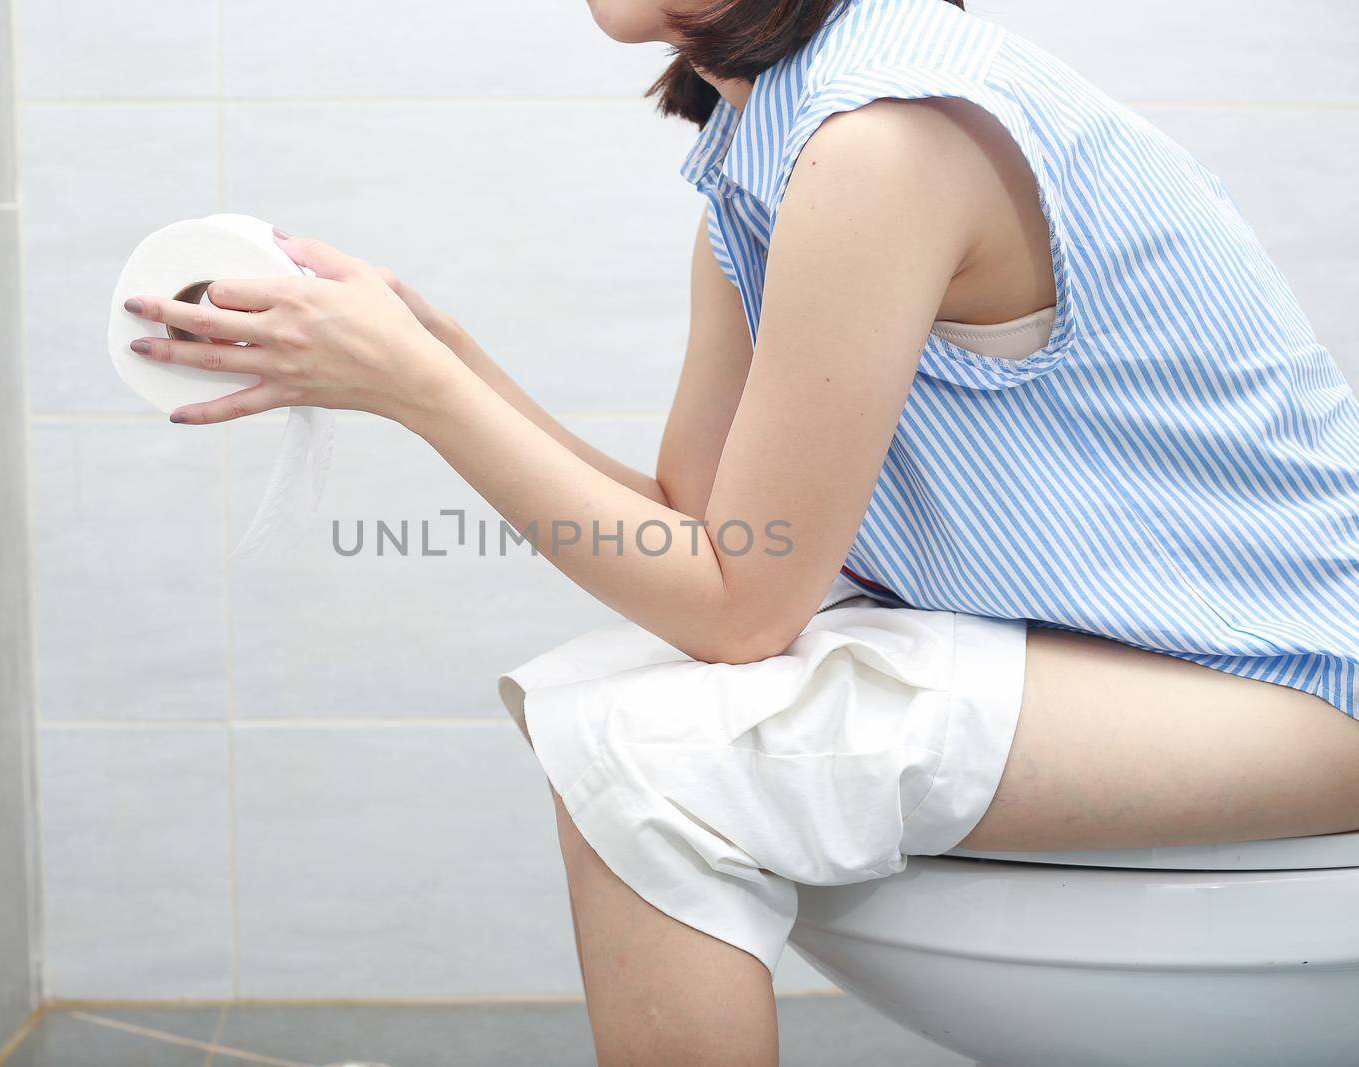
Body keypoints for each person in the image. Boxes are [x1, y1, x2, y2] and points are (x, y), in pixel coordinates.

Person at [119, 0, 1359, 1060]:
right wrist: (435, 352)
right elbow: (700, 533)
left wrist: (420, 390)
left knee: (657, 754)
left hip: (1306, 677)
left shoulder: (883, 140)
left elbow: (735, 604)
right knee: (608, 695)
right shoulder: (767, 149)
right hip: (1187, 660)